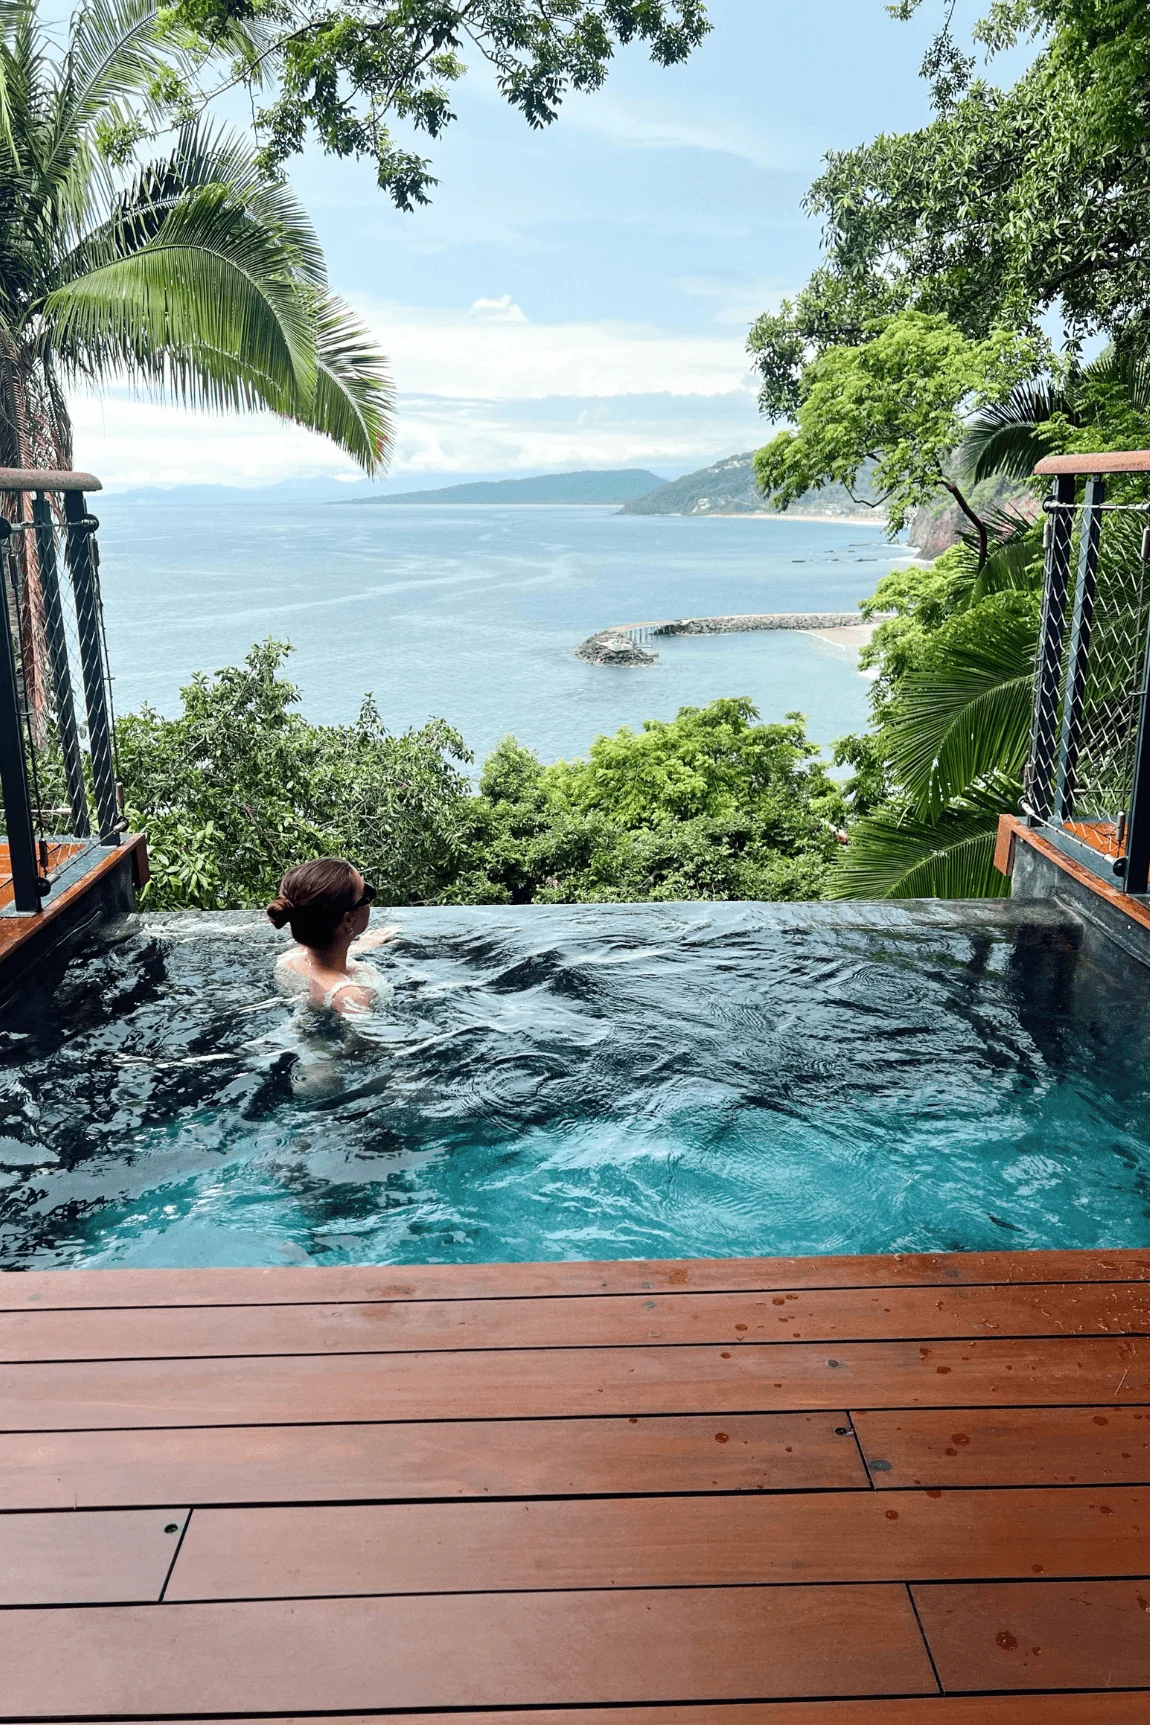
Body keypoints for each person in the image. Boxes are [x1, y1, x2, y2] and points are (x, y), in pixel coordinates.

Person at [267, 858, 397, 1016]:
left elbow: (324, 956)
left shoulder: (289, 960)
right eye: (366, 894)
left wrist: (361, 946)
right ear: (348, 920)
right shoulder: (352, 997)